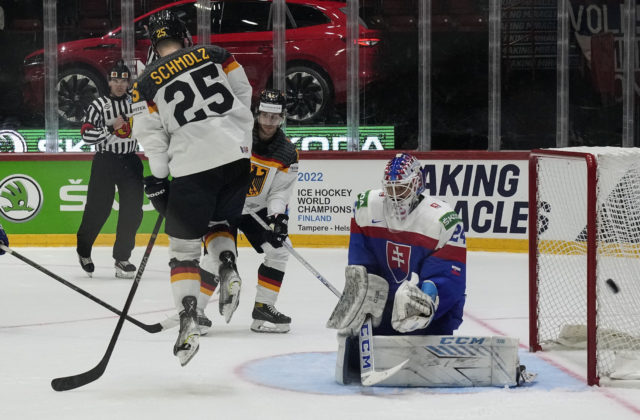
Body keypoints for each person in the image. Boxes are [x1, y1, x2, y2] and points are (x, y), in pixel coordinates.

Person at [132, 9, 253, 366]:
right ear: (185, 36)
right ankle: (228, 265)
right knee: (218, 222)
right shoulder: (216, 53)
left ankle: (188, 316)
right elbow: (243, 92)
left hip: (192, 165)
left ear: (154, 44)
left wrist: (158, 175)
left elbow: (151, 138)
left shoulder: (145, 82)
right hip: (237, 158)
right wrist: (232, 133)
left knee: (184, 250)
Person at [196, 88, 298, 334]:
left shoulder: (287, 152)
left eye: (274, 118)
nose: (268, 123)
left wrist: (277, 218)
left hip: (256, 209)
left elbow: (279, 191)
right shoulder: (237, 136)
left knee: (280, 249)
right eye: (264, 116)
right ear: (256, 113)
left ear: (282, 117)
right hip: (225, 206)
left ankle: (264, 307)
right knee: (214, 257)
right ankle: (194, 312)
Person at [76, 60, 143, 279]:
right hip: (106, 161)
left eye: (124, 80)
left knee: (132, 212)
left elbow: (151, 122)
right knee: (98, 210)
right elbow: (86, 135)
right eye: (115, 80)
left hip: (131, 161)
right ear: (109, 82)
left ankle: (122, 259)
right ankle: (84, 250)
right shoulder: (98, 105)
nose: (120, 84)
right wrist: (109, 127)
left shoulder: (136, 103)